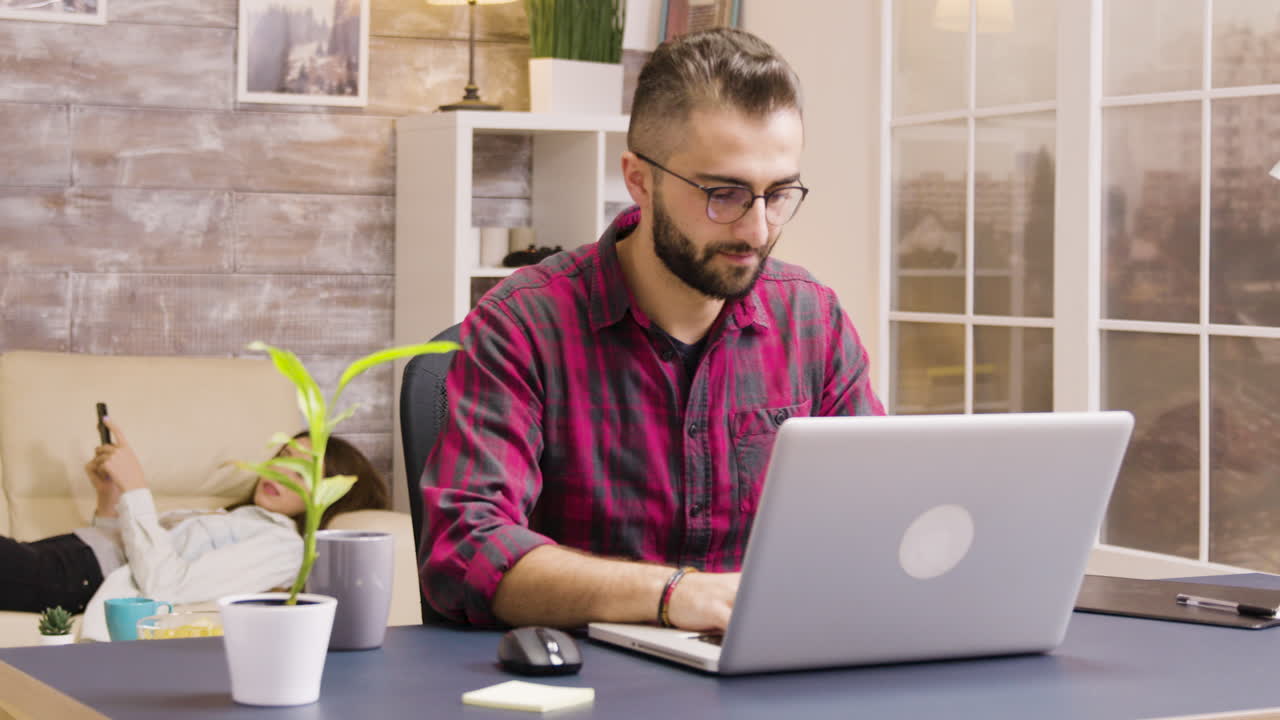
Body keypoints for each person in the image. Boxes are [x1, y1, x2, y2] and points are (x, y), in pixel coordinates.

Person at [421, 27, 884, 631]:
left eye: (779, 194)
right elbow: (464, 551)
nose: (758, 230)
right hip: (589, 684)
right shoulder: (522, 326)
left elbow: (876, 516)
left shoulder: (812, 320)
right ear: (639, 178)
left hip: (772, 675)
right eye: (725, 193)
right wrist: (672, 596)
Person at [0, 418, 389, 640]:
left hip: (75, 575)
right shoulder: (237, 518)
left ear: (331, 493)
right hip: (67, 554)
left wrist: (137, 490)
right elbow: (125, 553)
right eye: (283, 456)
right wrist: (110, 498)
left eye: (303, 470)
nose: (282, 471)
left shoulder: (284, 547)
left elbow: (166, 586)